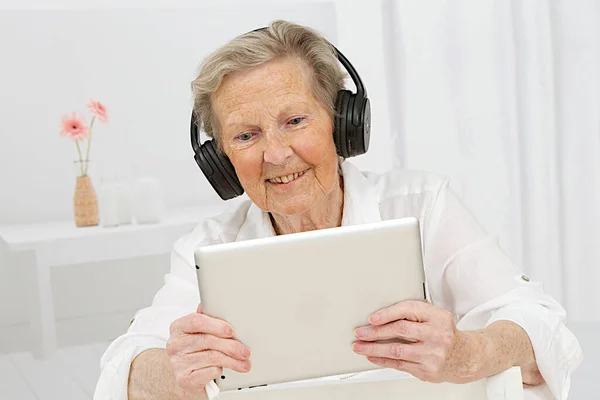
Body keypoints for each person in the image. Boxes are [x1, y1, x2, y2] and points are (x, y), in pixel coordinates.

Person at [94, 20, 582, 400]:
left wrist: (469, 354)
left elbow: (544, 331)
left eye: (295, 120)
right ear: (220, 158)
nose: (276, 154)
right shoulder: (206, 246)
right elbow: (125, 369)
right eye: (246, 135)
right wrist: (173, 373)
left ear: (342, 123)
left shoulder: (422, 204)